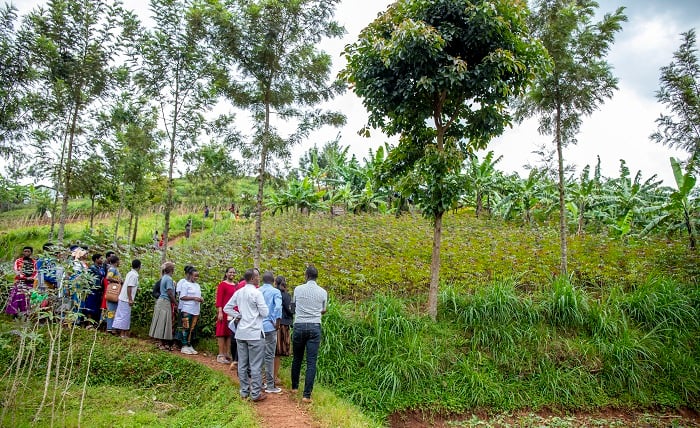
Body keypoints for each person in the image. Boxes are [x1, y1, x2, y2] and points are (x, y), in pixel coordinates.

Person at [224, 268, 269, 402]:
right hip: (254, 332)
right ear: (252, 279)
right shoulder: (257, 293)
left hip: (241, 332)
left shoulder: (239, 292)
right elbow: (265, 312)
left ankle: (244, 391)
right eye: (257, 277)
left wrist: (239, 315)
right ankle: (255, 393)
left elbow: (227, 308)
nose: (258, 278)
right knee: (255, 365)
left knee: (242, 364)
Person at [291, 265, 327, 403]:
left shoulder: (298, 289)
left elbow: (294, 305)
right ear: (317, 276)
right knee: (311, 362)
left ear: (306, 276)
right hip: (314, 326)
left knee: (297, 358)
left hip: (299, 325)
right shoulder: (323, 292)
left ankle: (294, 387)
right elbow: (323, 309)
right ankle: (306, 395)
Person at [260, 271, 282, 394]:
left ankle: (259, 383)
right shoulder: (275, 292)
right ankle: (270, 385)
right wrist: (276, 322)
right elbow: (278, 307)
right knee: (269, 356)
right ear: (273, 281)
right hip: (269, 327)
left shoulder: (257, 291)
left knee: (258, 355)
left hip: (257, 327)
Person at [150, 262, 177, 351]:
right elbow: (169, 292)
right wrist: (176, 303)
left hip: (161, 301)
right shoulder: (169, 279)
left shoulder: (163, 278)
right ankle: (161, 343)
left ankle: (162, 342)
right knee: (163, 322)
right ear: (171, 270)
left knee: (162, 321)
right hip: (165, 302)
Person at [112, 259, 141, 338]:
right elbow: (129, 287)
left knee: (121, 315)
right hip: (126, 299)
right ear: (139, 266)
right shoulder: (134, 275)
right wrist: (130, 299)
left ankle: (117, 331)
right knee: (125, 316)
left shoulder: (130, 273)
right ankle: (122, 334)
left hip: (123, 297)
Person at [6, 246, 37, 317]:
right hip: (20, 282)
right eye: (25, 251)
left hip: (30, 283)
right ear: (23, 252)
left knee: (27, 298)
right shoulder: (18, 261)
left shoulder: (34, 262)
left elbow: (36, 272)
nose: (26, 253)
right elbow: (17, 271)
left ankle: (26, 314)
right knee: (16, 297)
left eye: (28, 251)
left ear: (31, 253)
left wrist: (32, 278)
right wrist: (25, 278)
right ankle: (14, 314)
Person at [178, 267, 203, 355]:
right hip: (187, 309)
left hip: (195, 309)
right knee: (186, 327)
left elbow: (198, 295)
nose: (196, 278)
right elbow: (182, 296)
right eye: (195, 276)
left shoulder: (197, 285)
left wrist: (200, 299)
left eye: (197, 276)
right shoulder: (185, 284)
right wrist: (193, 298)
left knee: (192, 328)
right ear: (191, 275)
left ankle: (189, 344)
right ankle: (184, 345)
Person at [215, 267, 237, 364]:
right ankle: (221, 354)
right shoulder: (222, 284)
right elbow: (219, 298)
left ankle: (227, 353)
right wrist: (220, 311)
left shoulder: (236, 286)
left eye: (233, 272)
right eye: (230, 272)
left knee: (229, 332)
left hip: (232, 312)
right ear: (226, 273)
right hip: (223, 311)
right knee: (221, 332)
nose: (232, 274)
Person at [275, 275, 293, 383]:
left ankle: (269, 375)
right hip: (282, 324)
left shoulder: (271, 293)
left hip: (270, 324)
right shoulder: (285, 296)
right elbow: (290, 309)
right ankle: (274, 376)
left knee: (271, 351)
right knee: (277, 352)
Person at [84, 253, 105, 325]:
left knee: (97, 306)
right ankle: (88, 323)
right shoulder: (92, 268)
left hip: (99, 290)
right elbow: (88, 279)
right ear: (96, 259)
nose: (102, 260)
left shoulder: (101, 268)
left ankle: (94, 323)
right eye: (100, 258)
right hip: (93, 289)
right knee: (90, 305)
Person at [104, 254, 122, 334]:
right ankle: (110, 328)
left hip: (116, 292)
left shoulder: (115, 269)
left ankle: (113, 327)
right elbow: (108, 277)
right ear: (116, 261)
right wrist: (117, 281)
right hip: (112, 291)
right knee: (111, 310)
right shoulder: (112, 269)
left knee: (114, 310)